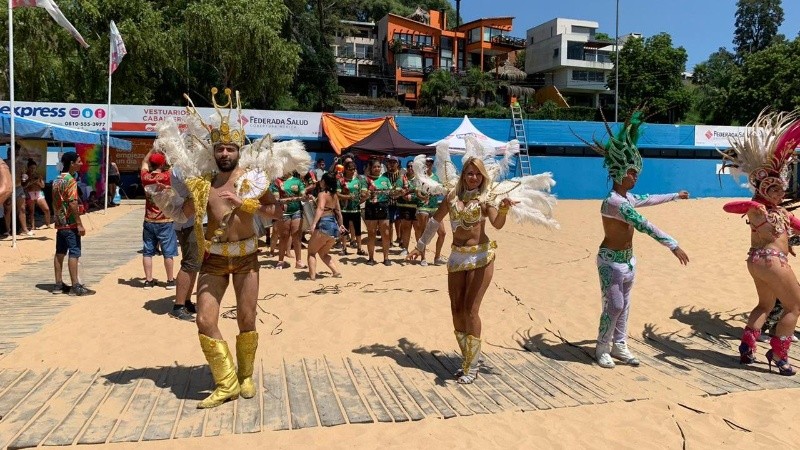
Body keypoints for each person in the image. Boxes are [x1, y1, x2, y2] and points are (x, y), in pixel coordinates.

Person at [154, 87, 309, 409]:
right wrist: (164, 199)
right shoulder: (202, 184)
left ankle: (246, 376)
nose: (225, 153)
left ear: (239, 150)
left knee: (246, 318)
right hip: (213, 260)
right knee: (204, 320)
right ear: (213, 152)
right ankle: (227, 383)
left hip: (247, 259)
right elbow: (181, 214)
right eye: (220, 148)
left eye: (230, 148)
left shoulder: (253, 179)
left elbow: (276, 212)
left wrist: (245, 203)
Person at [409, 137, 558, 384]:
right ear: (463, 175)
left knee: (471, 310)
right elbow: (435, 220)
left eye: (478, 174)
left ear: (483, 176)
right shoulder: (451, 196)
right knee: (456, 310)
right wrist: (420, 245)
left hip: (481, 256)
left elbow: (497, 224)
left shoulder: (486, 198)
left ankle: (472, 366)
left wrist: (504, 208)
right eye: (470, 173)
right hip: (457, 257)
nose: (473, 178)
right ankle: (467, 358)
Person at [581, 111, 690, 369]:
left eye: (636, 173)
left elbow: (649, 198)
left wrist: (675, 195)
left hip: (628, 260)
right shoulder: (614, 203)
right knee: (614, 305)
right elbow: (643, 224)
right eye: (631, 173)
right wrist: (673, 245)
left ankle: (620, 345)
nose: (635, 177)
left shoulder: (627, 199)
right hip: (610, 262)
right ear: (619, 173)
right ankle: (602, 347)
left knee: (624, 306)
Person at [720, 110, 800, 375]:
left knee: (765, 305)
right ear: (764, 188)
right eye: (774, 189)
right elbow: (729, 207)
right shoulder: (758, 209)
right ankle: (779, 355)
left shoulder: (782, 212)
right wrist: (753, 204)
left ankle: (747, 347)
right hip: (771, 261)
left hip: (757, 262)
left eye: (781, 189)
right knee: (794, 306)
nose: (780, 193)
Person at [52, 151, 95, 296]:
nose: (81, 164)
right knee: (74, 253)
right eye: (79, 161)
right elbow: (72, 203)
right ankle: (75, 286)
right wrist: (79, 223)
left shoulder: (57, 179)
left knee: (60, 252)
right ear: (71, 163)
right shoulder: (70, 181)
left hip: (59, 222)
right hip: (70, 223)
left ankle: (58, 285)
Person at [140, 147, 178, 289]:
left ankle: (148, 280)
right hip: (165, 219)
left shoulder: (145, 177)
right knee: (168, 252)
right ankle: (170, 280)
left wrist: (152, 149)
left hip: (149, 219)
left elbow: (144, 162)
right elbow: (174, 164)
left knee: (147, 252)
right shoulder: (167, 176)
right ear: (162, 164)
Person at [168, 166, 199, 321]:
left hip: (194, 222)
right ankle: (178, 306)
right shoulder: (181, 168)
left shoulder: (187, 167)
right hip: (188, 223)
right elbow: (196, 185)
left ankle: (186, 301)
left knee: (194, 265)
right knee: (189, 263)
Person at [308, 173, 346, 280]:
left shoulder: (322, 194)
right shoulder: (334, 195)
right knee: (323, 253)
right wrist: (341, 225)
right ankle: (336, 272)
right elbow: (338, 212)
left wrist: (314, 223)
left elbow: (321, 208)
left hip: (324, 224)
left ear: (324, 182)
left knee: (311, 252)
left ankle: (312, 277)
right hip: (333, 227)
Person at [271, 172, 306, 269]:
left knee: (296, 236)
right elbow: (276, 199)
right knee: (284, 236)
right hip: (283, 213)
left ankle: (298, 261)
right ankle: (280, 261)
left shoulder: (297, 181)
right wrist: (291, 199)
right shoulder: (277, 182)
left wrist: (304, 196)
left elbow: (303, 195)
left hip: (297, 211)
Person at [416, 156, 446, 266]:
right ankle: (423, 258)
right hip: (423, 207)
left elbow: (440, 190)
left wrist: (439, 192)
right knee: (423, 232)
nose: (428, 164)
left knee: (442, 233)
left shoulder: (436, 177)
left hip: (434, 207)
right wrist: (423, 197)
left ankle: (437, 257)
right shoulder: (420, 177)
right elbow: (418, 193)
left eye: (430, 163)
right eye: (426, 163)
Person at [364, 158, 393, 266]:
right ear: (371, 168)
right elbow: (363, 194)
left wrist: (399, 192)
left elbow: (392, 193)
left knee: (386, 233)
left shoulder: (385, 179)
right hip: (371, 207)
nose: (377, 168)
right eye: (375, 167)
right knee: (371, 233)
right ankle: (371, 258)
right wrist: (367, 193)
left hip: (384, 206)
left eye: (378, 167)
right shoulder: (366, 180)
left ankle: (386, 258)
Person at [337, 157, 367, 256]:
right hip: (344, 209)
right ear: (345, 169)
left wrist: (362, 197)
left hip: (356, 209)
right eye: (350, 169)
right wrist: (348, 197)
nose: (352, 171)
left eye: (354, 169)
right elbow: (337, 194)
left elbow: (363, 193)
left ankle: (359, 248)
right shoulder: (341, 181)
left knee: (358, 229)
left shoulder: (358, 181)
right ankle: (344, 248)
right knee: (344, 229)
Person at [384, 156, 408, 247]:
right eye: (390, 162)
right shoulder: (385, 175)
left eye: (394, 162)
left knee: (400, 221)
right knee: (390, 222)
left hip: (400, 201)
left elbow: (406, 186)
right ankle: (390, 241)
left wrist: (402, 192)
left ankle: (400, 238)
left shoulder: (401, 175)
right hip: (389, 202)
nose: (392, 164)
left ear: (397, 164)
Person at [397, 160, 419, 258]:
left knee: (418, 229)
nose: (410, 168)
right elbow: (396, 190)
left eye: (412, 166)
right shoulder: (402, 179)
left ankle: (419, 249)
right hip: (405, 207)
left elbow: (422, 192)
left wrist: (411, 197)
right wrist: (403, 195)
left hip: (416, 207)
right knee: (406, 228)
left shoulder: (419, 179)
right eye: (409, 166)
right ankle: (405, 249)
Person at [24, 159, 51, 229]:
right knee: (31, 211)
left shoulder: (38, 175)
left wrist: (38, 182)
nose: (33, 170)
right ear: (28, 168)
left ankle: (48, 224)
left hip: (39, 193)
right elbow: (23, 186)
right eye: (31, 168)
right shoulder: (25, 175)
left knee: (46, 209)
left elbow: (43, 186)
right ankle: (33, 226)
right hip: (30, 193)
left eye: (34, 168)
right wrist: (31, 181)